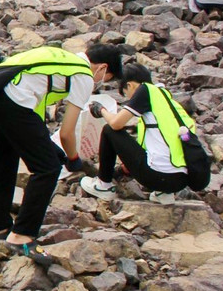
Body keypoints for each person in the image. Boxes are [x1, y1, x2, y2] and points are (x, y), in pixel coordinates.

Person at [0, 43, 122, 260]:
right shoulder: (82, 73)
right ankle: (22, 235)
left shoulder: (60, 58)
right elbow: (66, 132)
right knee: (47, 170)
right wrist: (73, 159)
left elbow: (33, 123)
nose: (100, 83)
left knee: (5, 160)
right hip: (14, 103)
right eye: (106, 78)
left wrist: (54, 149)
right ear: (101, 68)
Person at [81, 64, 196, 205]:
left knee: (109, 130)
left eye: (125, 93)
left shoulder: (144, 91)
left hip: (159, 177)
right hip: (180, 181)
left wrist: (101, 110)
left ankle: (103, 185)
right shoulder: (164, 97)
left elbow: (116, 123)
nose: (128, 99)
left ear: (130, 85)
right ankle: (163, 194)